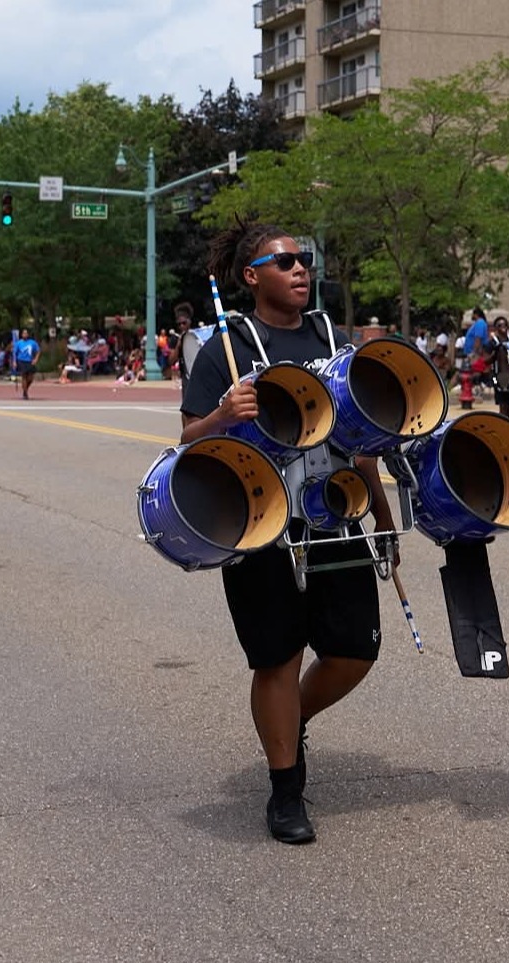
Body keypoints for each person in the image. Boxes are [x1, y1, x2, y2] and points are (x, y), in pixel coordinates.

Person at [180, 222, 397, 846]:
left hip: (333, 514)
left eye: (305, 260)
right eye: (286, 262)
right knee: (277, 657)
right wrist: (222, 414)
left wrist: (381, 519)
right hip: (258, 521)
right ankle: (285, 790)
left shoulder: (334, 338)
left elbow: (361, 439)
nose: (301, 269)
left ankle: (286, 722)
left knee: (356, 650)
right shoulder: (226, 346)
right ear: (252, 277)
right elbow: (187, 441)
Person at [487, 317, 509, 417]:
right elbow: (486, 361)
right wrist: (495, 352)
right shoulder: (492, 342)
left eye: (505, 325)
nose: (503, 327)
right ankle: (502, 426)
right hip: (499, 376)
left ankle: (506, 425)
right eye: (500, 325)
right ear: (496, 328)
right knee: (503, 405)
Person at [12, 328, 40, 400]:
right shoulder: (18, 343)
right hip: (21, 361)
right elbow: (15, 353)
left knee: (30, 378)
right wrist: (14, 361)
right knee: (24, 376)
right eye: (23, 333)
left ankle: (26, 388)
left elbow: (38, 351)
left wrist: (35, 359)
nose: (25, 335)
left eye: (26, 333)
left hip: (29, 361)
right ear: (22, 335)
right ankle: (25, 392)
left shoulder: (32, 343)